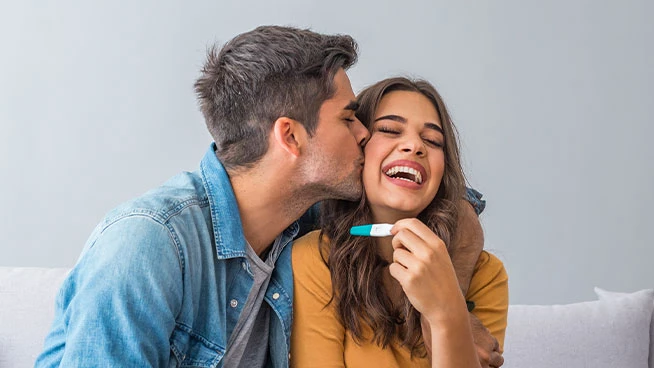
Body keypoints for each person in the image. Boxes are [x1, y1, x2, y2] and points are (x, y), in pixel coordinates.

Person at [35, 25, 371, 367]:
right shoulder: (148, 245)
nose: (364, 133)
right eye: (348, 118)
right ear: (290, 136)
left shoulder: (305, 234)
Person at [290, 77, 509, 367]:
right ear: (357, 148)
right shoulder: (315, 259)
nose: (415, 145)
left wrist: (447, 313)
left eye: (433, 141)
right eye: (390, 130)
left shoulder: (487, 274)